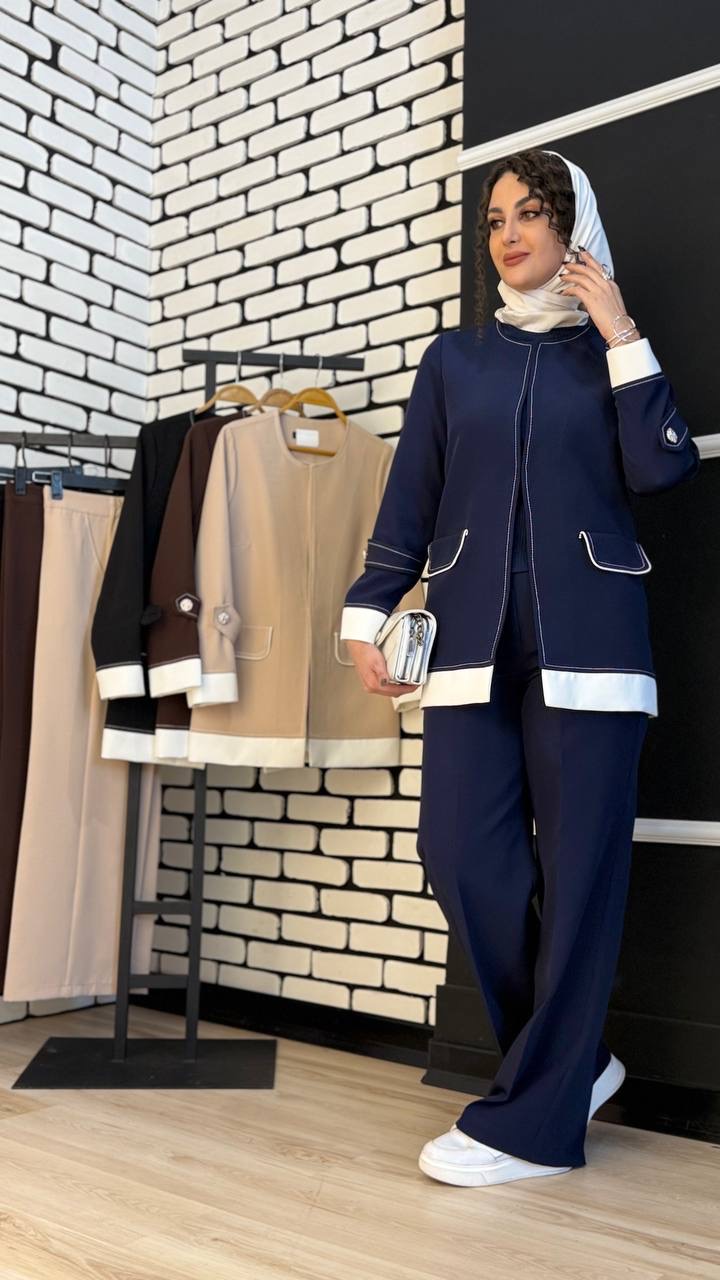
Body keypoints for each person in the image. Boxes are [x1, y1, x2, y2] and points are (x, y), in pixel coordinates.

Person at [339, 148, 700, 1187]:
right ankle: (567, 1062)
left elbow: (662, 466)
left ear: (574, 225)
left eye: (532, 212)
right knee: (459, 852)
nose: (509, 233)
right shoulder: (455, 360)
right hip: (469, 638)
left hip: (592, 642)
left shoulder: (609, 352)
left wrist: (620, 331)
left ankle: (534, 1121)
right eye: (495, 218)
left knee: (582, 875)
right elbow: (409, 499)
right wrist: (369, 611)